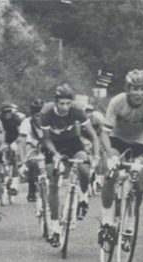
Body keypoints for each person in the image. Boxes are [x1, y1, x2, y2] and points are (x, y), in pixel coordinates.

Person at [97, 69, 143, 248]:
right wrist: (110, 156)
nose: (139, 93)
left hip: (139, 143)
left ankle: (130, 225)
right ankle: (107, 222)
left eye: (142, 89)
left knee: (139, 179)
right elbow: (104, 133)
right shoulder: (117, 102)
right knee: (112, 173)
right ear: (127, 88)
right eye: (135, 88)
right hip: (116, 140)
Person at [40, 84, 100, 247]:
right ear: (55, 102)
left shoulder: (77, 111)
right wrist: (55, 154)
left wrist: (95, 156)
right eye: (62, 104)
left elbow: (94, 136)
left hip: (73, 142)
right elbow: (46, 139)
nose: (65, 107)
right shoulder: (46, 113)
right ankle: (54, 226)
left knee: (84, 167)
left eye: (68, 103)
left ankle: (83, 197)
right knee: (53, 183)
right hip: (53, 145)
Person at [17, 98, 46, 202]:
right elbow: (22, 142)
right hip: (32, 145)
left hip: (46, 144)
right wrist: (23, 161)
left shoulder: (50, 120)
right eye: (37, 115)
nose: (40, 118)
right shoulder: (26, 122)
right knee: (32, 162)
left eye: (42, 115)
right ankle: (32, 188)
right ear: (33, 115)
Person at [0, 102, 23, 194]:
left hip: (13, 139)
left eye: (9, 111)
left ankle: (15, 184)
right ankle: (2, 175)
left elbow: (20, 132)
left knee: (14, 155)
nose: (7, 114)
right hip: (2, 140)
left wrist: (17, 141)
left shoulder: (15, 118)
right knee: (0, 156)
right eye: (5, 112)